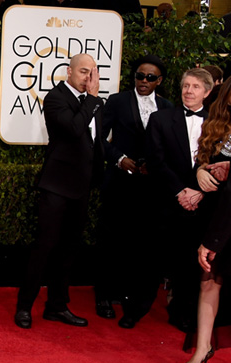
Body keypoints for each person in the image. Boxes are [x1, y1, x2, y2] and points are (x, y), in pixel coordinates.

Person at [14, 53, 104, 329]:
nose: (88, 79)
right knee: (45, 247)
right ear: (69, 72)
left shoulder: (93, 103)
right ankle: (24, 307)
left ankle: (56, 306)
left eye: (93, 73)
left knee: (69, 249)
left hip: (82, 187)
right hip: (56, 186)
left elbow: (95, 141)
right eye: (83, 72)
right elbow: (75, 130)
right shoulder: (55, 98)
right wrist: (92, 99)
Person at [95, 55, 173, 328]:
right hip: (118, 182)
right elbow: (99, 138)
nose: (144, 81)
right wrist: (119, 159)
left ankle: (128, 295)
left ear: (159, 81)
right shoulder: (117, 101)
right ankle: (104, 295)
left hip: (150, 189)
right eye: (140, 76)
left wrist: (155, 166)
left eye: (150, 77)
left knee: (139, 244)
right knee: (111, 240)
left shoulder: (166, 107)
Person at [178, 73, 231, 363]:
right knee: (208, 280)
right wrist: (202, 172)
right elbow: (202, 160)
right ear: (227, 97)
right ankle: (203, 347)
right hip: (214, 214)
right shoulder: (217, 127)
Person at [146, 68, 214, 333]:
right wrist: (180, 191)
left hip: (202, 205)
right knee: (153, 258)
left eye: (196, 87)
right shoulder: (160, 119)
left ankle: (183, 313)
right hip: (167, 201)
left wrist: (198, 192)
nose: (189, 91)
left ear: (207, 92)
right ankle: (137, 308)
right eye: (186, 85)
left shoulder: (216, 124)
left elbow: (219, 164)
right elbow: (155, 161)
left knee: (190, 264)